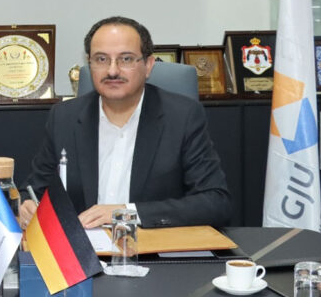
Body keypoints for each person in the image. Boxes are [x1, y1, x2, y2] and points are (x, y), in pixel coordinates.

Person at [19, 16, 231, 229]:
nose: (112, 71)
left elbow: (215, 202)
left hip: (151, 244)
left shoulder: (182, 117)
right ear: (89, 64)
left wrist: (126, 213)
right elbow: (33, 191)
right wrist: (26, 206)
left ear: (148, 65)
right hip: (82, 245)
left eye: (126, 59)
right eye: (101, 59)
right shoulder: (64, 117)